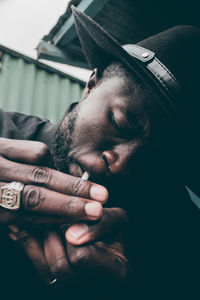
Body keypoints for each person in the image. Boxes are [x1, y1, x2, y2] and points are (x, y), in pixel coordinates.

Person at [0, 6, 200, 300]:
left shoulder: (180, 237)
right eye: (122, 122)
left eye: (155, 160)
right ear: (92, 85)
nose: (120, 165)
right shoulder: (4, 131)